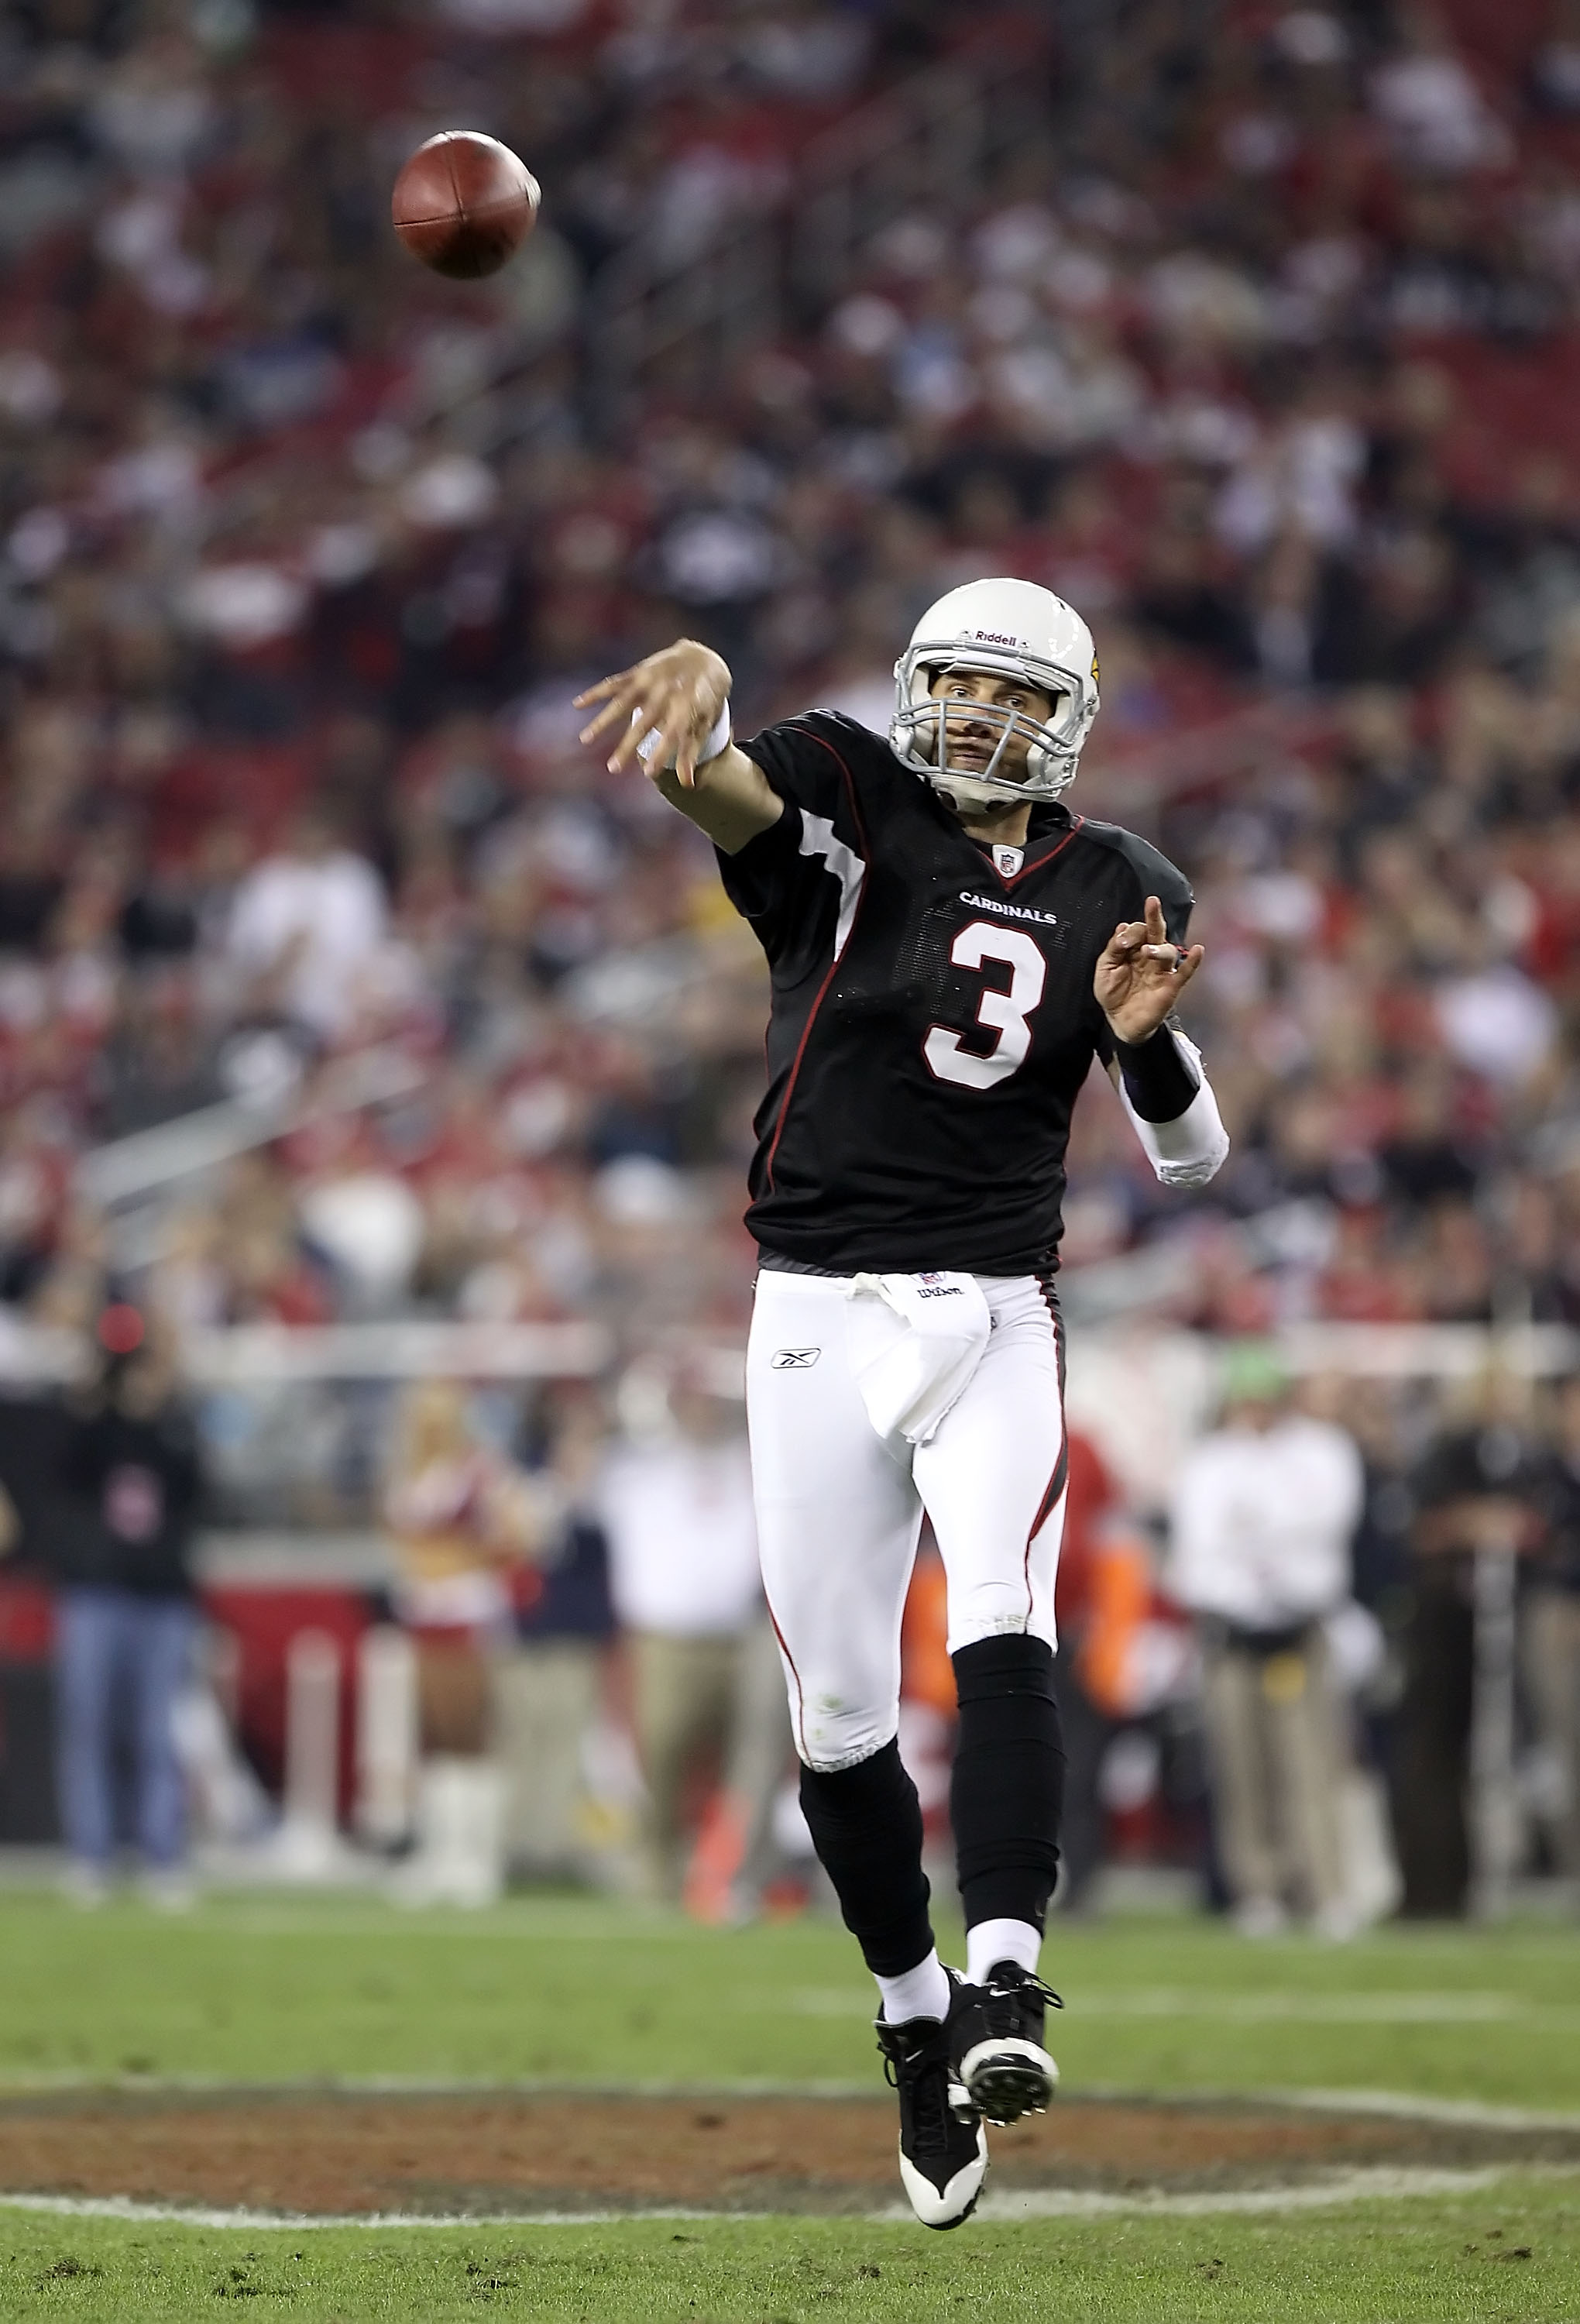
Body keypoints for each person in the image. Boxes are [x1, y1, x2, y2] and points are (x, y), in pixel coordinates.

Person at [575, 577, 1228, 2227]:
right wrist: (701, 702)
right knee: (837, 1722)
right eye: (955, 681)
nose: (977, 715)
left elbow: (1193, 1151)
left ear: (1069, 719)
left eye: (1012, 693)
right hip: (811, 1309)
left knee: (1006, 1618)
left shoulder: (1119, 883)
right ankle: (912, 2010)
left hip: (996, 1307)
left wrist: (1146, 1048)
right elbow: (717, 783)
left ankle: (1007, 1976)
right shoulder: (850, 788)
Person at [1168, 1342, 1364, 1937]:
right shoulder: (1208, 1462)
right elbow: (1198, 1551)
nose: (1256, 1410)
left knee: (1312, 1764)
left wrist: (1256, 1529)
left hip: (1299, 1630)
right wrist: (1261, 1538)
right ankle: (1259, 1890)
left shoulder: (1321, 1451)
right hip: (1232, 1634)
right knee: (1242, 1768)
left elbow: (1324, 1526)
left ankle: (1327, 1889)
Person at [53, 1308, 203, 1906]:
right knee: (87, 1723)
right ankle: (90, 1853)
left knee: (157, 1730)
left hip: (161, 1596)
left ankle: (162, 1852)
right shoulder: (90, 1424)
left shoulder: (175, 1426)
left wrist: (162, 1402)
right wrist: (93, 1398)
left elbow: (197, 1490)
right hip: (97, 1590)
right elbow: (64, 1476)